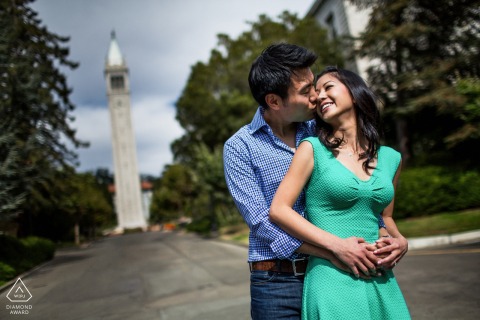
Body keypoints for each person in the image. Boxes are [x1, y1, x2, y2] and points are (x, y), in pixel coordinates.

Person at [223, 43, 408, 319]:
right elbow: (263, 221)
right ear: (274, 101)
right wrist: (333, 249)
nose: (316, 96)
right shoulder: (240, 147)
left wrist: (392, 238)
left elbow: (361, 194)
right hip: (276, 281)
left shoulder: (322, 130)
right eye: (307, 90)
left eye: (316, 86)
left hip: (334, 271)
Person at [269, 66, 411, 319]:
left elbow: (385, 218)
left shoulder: (392, 158)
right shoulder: (311, 149)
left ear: (355, 94)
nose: (320, 96)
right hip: (332, 278)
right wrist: (336, 247)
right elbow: (279, 210)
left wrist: (400, 240)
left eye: (328, 87)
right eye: (316, 92)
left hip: (380, 278)